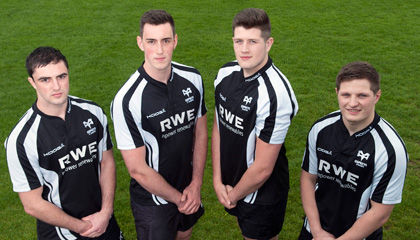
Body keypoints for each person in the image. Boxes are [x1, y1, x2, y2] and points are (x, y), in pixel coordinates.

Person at [5, 46, 123, 239]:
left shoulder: (92, 113)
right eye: (45, 80)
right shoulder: (22, 140)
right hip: (61, 232)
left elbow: (107, 162)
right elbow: (32, 204)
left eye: (61, 76)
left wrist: (106, 212)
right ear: (32, 83)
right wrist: (81, 226)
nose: (56, 86)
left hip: (104, 221)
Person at [111, 9, 207, 240]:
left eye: (166, 41)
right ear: (140, 43)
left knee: (184, 235)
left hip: (188, 187)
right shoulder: (126, 100)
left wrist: (195, 184)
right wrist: (179, 198)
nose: (160, 50)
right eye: (151, 41)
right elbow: (137, 169)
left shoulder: (193, 78)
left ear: (175, 40)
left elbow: (201, 133)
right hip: (153, 202)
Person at [212, 8, 298, 240]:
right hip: (231, 184)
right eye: (239, 41)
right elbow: (219, 126)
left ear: (268, 43)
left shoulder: (276, 95)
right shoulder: (224, 73)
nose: (244, 49)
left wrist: (233, 195)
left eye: (252, 41)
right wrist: (217, 180)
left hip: (262, 196)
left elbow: (262, 168)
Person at [299, 61, 408, 240]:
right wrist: (317, 231)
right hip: (314, 231)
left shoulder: (391, 150)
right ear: (337, 93)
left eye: (362, 95)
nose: (353, 103)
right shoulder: (320, 129)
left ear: (377, 96)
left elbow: (381, 212)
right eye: (346, 94)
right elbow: (308, 179)